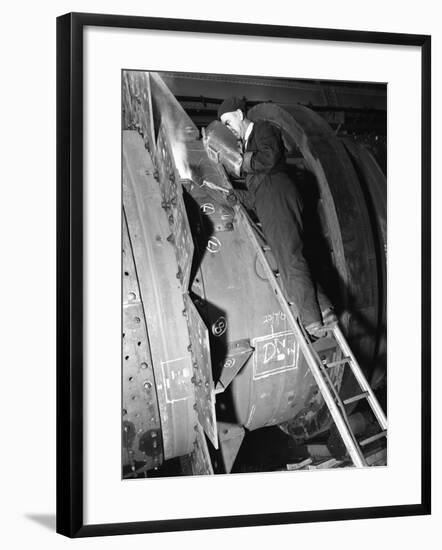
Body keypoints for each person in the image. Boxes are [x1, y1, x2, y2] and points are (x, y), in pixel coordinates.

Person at [217, 96, 336, 336]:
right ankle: (324, 309)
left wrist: (241, 163)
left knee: (290, 257)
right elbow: (258, 193)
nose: (227, 128)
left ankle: (313, 320)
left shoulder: (263, 130)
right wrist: (234, 196)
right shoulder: (249, 145)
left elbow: (270, 159)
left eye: (228, 122)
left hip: (279, 196)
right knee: (289, 255)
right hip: (269, 200)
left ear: (240, 115)